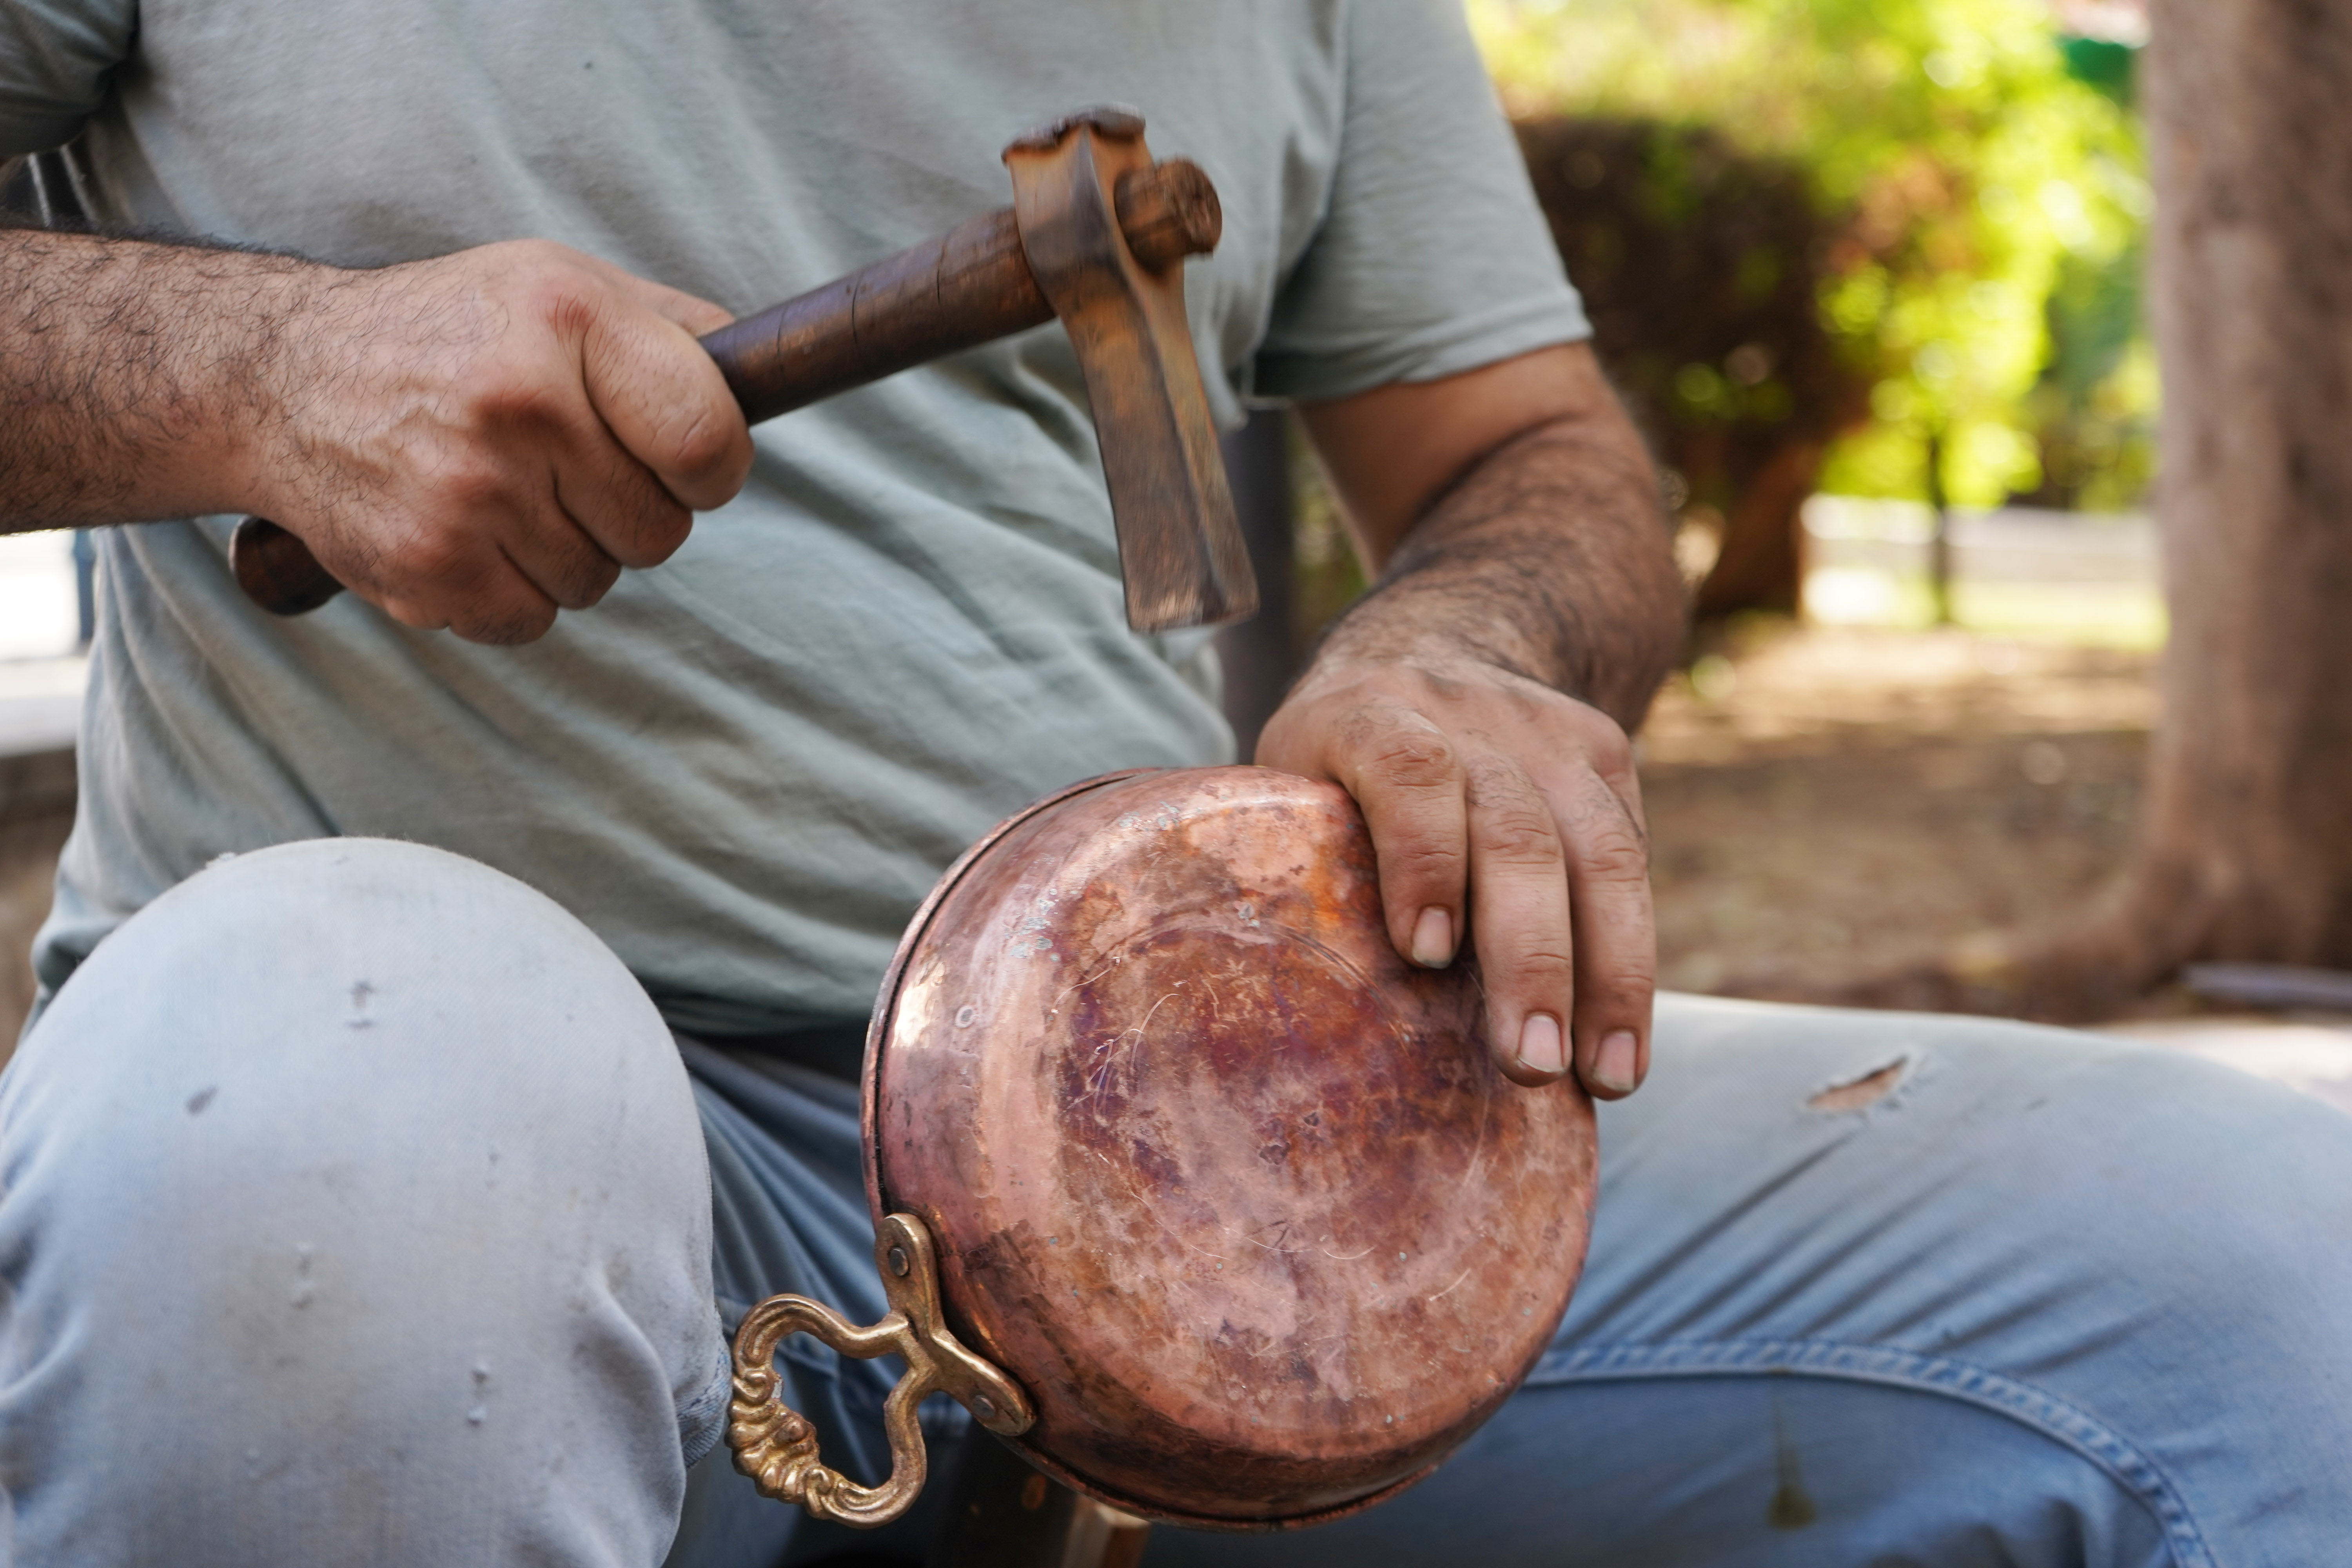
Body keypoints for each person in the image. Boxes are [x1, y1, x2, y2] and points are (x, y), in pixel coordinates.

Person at [1, 2, 2347, 1564]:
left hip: (1223, 1152)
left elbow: (1535, 452)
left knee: (2287, 1275)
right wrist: (266, 363)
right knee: (318, 1103)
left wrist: (1462, 639)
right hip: (463, 1118)